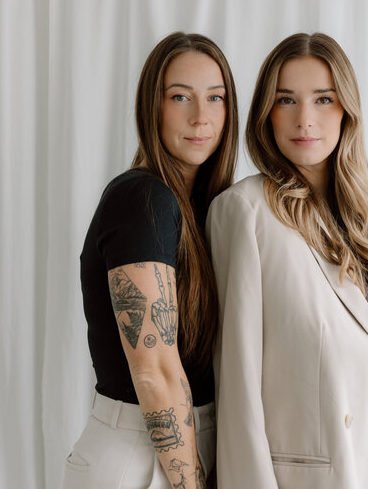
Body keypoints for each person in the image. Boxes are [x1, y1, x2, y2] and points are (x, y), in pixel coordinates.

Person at [207, 33, 368, 488]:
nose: (305, 119)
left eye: (323, 99)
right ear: (266, 112)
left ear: (347, 110)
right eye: (286, 100)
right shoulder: (245, 212)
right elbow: (238, 388)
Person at [63, 32, 238, 489]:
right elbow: (154, 370)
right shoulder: (143, 198)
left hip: (184, 445)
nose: (201, 116)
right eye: (180, 96)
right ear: (151, 106)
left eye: (215, 98)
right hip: (140, 458)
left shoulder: (204, 208)